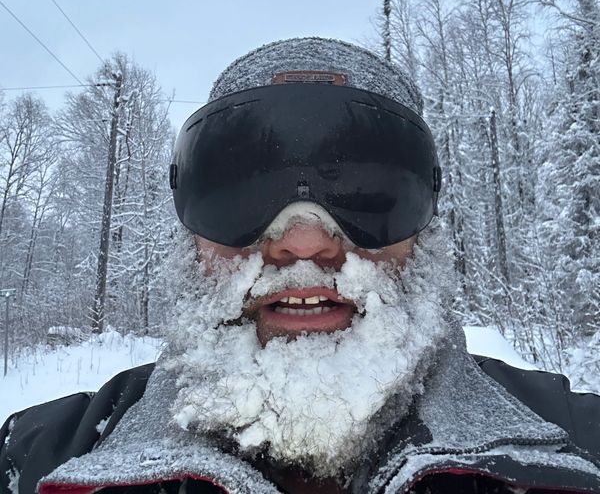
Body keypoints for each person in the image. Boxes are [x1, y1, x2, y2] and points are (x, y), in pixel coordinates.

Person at [1, 38, 599, 494]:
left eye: (369, 190)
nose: (305, 240)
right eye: (242, 192)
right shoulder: (37, 461)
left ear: (428, 228)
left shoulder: (577, 446)